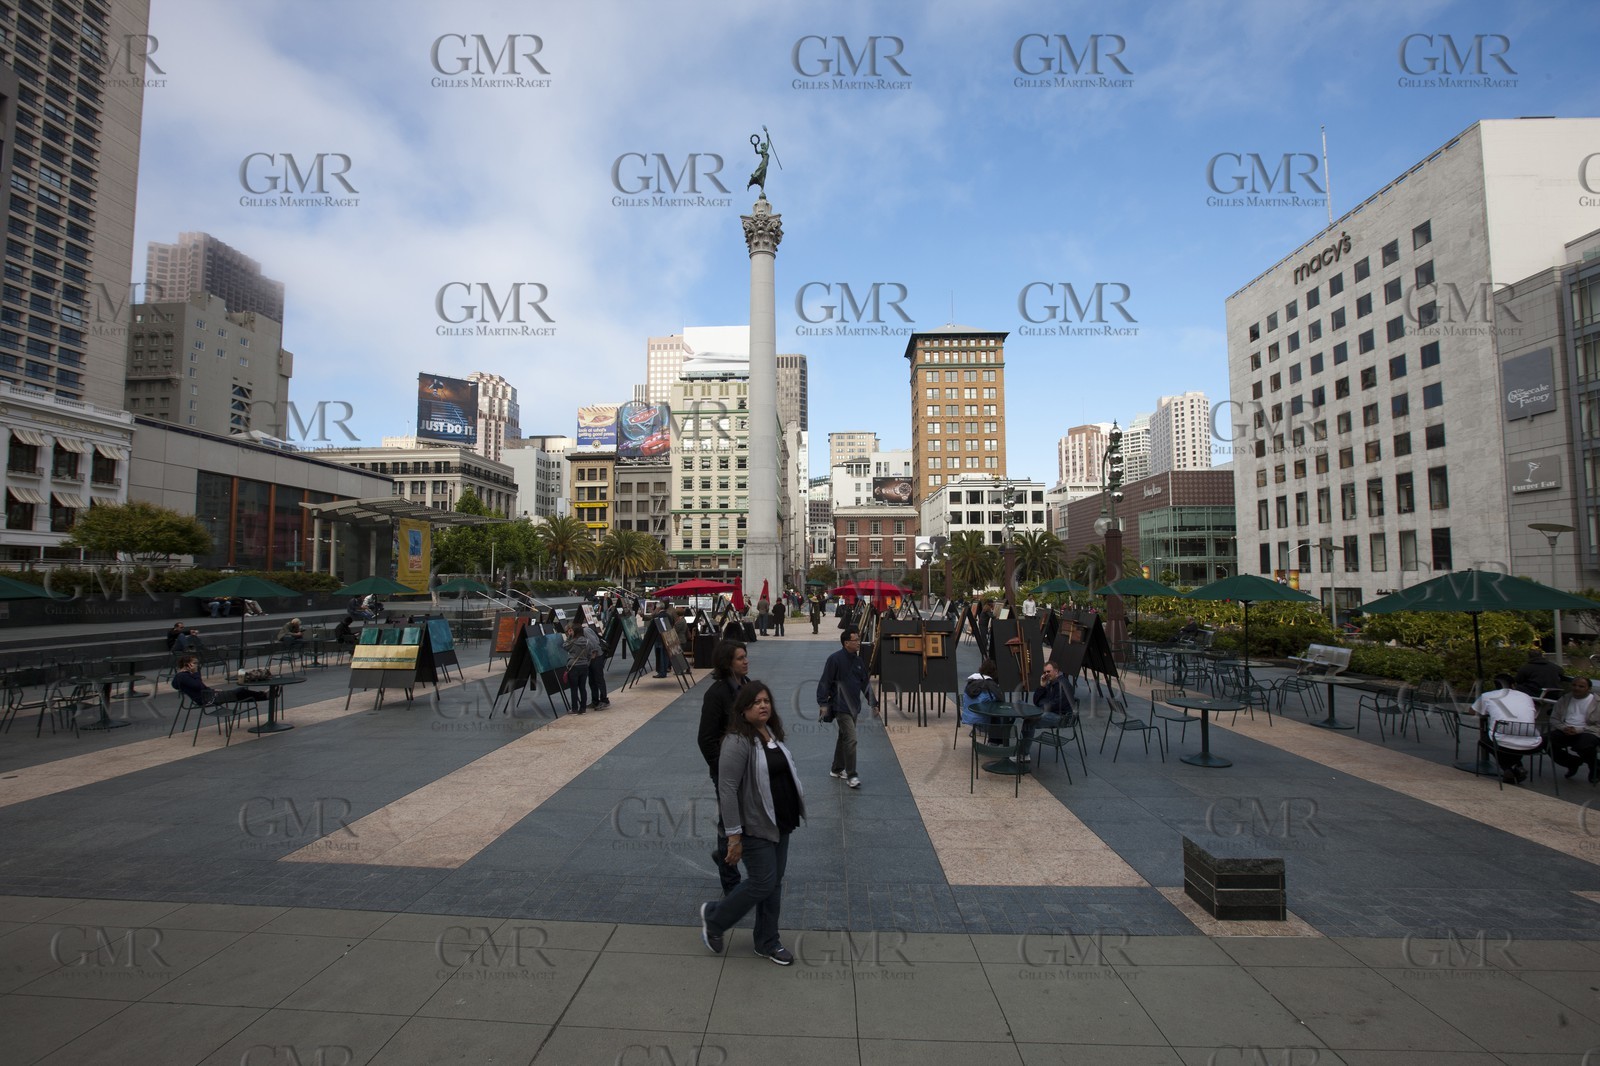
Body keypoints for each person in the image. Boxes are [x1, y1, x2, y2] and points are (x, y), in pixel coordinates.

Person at [699, 681, 803, 965]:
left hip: (781, 822)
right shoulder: (736, 740)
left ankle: (767, 941)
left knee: (773, 883)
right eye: (756, 702)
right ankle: (715, 919)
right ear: (743, 709)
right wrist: (733, 836)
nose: (763, 705)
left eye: (766, 700)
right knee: (762, 882)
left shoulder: (771, 732)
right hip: (754, 825)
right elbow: (727, 788)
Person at [698, 641, 749, 896]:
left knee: (744, 816)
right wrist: (722, 767)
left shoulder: (747, 686)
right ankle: (731, 883)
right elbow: (705, 739)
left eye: (745, 656)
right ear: (727, 663)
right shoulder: (716, 694)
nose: (745, 661)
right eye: (740, 658)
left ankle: (724, 854)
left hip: (748, 767)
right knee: (729, 821)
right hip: (727, 771)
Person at [817, 627, 876, 789]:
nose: (858, 642)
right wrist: (823, 703)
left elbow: (864, 683)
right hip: (840, 706)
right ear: (846, 643)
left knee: (843, 738)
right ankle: (852, 775)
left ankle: (836, 769)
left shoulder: (858, 661)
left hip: (854, 706)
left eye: (858, 639)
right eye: (855, 640)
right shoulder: (834, 659)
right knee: (851, 739)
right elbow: (825, 682)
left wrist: (873, 703)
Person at [1473, 674, 1544, 784]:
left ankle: (1508, 769)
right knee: (1513, 737)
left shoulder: (1487, 696)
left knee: (1485, 740)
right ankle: (1517, 766)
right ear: (1513, 685)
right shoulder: (1526, 696)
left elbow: (1472, 711)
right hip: (1532, 743)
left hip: (1502, 742)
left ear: (1495, 685)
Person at [1546, 675, 1600, 784]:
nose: (1576, 688)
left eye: (1581, 686)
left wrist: (1579, 730)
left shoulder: (1597, 702)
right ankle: (1572, 762)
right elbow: (1554, 718)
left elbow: (1598, 725)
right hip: (1565, 729)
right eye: (1574, 685)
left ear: (1588, 689)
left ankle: (1594, 767)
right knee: (1544, 742)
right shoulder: (1565, 699)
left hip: (1588, 730)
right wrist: (1563, 727)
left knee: (1583, 745)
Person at [1019, 660, 1078, 759]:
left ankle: (1024, 755)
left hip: (1061, 717)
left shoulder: (1063, 684)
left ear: (1056, 671)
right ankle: (1021, 751)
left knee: (1029, 721)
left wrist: (1041, 706)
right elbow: (1036, 701)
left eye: (1048, 671)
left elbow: (1056, 705)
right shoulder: (1050, 683)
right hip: (1050, 712)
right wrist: (1042, 685)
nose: (1046, 674)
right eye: (1045, 672)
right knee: (1021, 704)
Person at [170, 655, 271, 709]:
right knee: (240, 692)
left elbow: (176, 685)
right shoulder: (183, 676)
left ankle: (264, 695)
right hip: (207, 699)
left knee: (240, 692)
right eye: (195, 663)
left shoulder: (183, 676)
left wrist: (211, 690)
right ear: (188, 664)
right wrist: (196, 673)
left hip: (209, 695)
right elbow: (197, 685)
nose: (197, 665)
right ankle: (264, 696)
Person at [961, 658, 1004, 744]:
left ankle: (979, 733)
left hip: (968, 717)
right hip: (983, 721)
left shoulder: (971, 682)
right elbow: (1001, 699)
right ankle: (995, 742)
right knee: (998, 714)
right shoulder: (990, 685)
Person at [563, 621, 597, 714]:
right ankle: (583, 709)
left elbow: (565, 646)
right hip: (584, 667)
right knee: (583, 688)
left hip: (573, 667)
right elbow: (590, 654)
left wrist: (569, 637)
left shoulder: (572, 642)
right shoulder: (587, 642)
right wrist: (586, 662)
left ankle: (574, 709)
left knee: (574, 689)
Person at [586, 622, 610, 709]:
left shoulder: (585, 632)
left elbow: (595, 643)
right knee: (592, 680)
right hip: (591, 658)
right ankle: (595, 700)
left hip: (597, 656)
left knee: (599, 678)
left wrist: (593, 654)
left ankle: (604, 700)